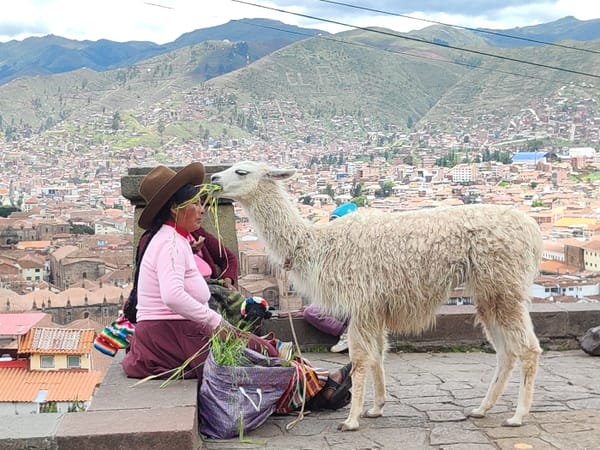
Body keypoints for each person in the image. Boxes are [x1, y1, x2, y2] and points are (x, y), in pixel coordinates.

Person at [120, 162, 352, 412]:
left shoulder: (173, 239)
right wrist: (214, 321)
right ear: (176, 208)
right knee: (252, 357)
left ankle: (319, 385)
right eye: (196, 204)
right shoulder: (171, 243)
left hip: (173, 334)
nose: (202, 210)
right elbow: (172, 295)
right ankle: (321, 389)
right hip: (172, 337)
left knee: (261, 347)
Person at [303, 202, 358, 353]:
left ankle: (352, 335)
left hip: (355, 298)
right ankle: (346, 333)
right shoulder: (330, 248)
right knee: (310, 312)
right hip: (336, 300)